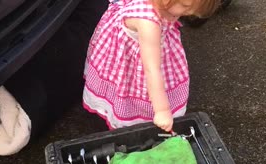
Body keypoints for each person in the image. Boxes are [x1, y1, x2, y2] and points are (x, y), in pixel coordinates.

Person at [82, 0, 219, 132]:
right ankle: (133, 117)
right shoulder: (148, 23)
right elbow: (152, 69)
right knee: (133, 89)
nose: (188, 13)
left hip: (145, 45)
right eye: (185, 5)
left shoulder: (161, 7)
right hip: (140, 57)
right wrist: (162, 110)